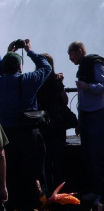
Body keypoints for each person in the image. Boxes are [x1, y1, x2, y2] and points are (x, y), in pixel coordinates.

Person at [0, 40, 51, 211]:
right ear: (20, 67)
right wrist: (29, 51)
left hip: (6, 136)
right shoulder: (28, 80)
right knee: (35, 173)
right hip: (29, 134)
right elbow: (46, 67)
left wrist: (8, 54)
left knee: (11, 175)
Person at [68, 41, 104, 204]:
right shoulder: (84, 66)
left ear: (79, 51)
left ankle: (102, 193)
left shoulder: (95, 64)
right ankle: (95, 190)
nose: (69, 57)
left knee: (97, 154)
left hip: (96, 115)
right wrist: (80, 120)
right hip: (86, 115)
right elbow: (82, 97)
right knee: (88, 154)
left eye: (70, 53)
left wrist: (88, 86)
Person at [37, 53, 69, 194]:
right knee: (58, 159)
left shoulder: (36, 80)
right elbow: (65, 100)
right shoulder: (56, 81)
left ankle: (46, 192)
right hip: (58, 124)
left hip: (43, 123)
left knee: (45, 159)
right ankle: (59, 191)